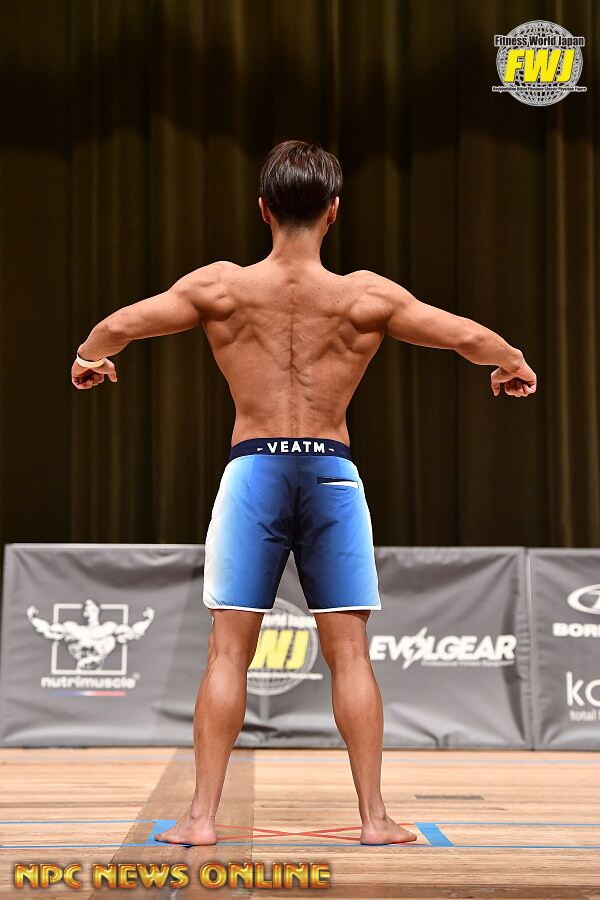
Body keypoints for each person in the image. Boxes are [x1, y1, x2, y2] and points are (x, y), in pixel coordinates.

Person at [71, 140, 537, 846]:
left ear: (263, 210)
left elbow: (118, 326)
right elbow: (468, 336)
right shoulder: (366, 297)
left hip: (255, 472)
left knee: (228, 653)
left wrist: (90, 359)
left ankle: (200, 819)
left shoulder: (221, 288)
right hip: (330, 476)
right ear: (333, 212)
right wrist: (512, 364)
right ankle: (374, 820)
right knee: (350, 654)